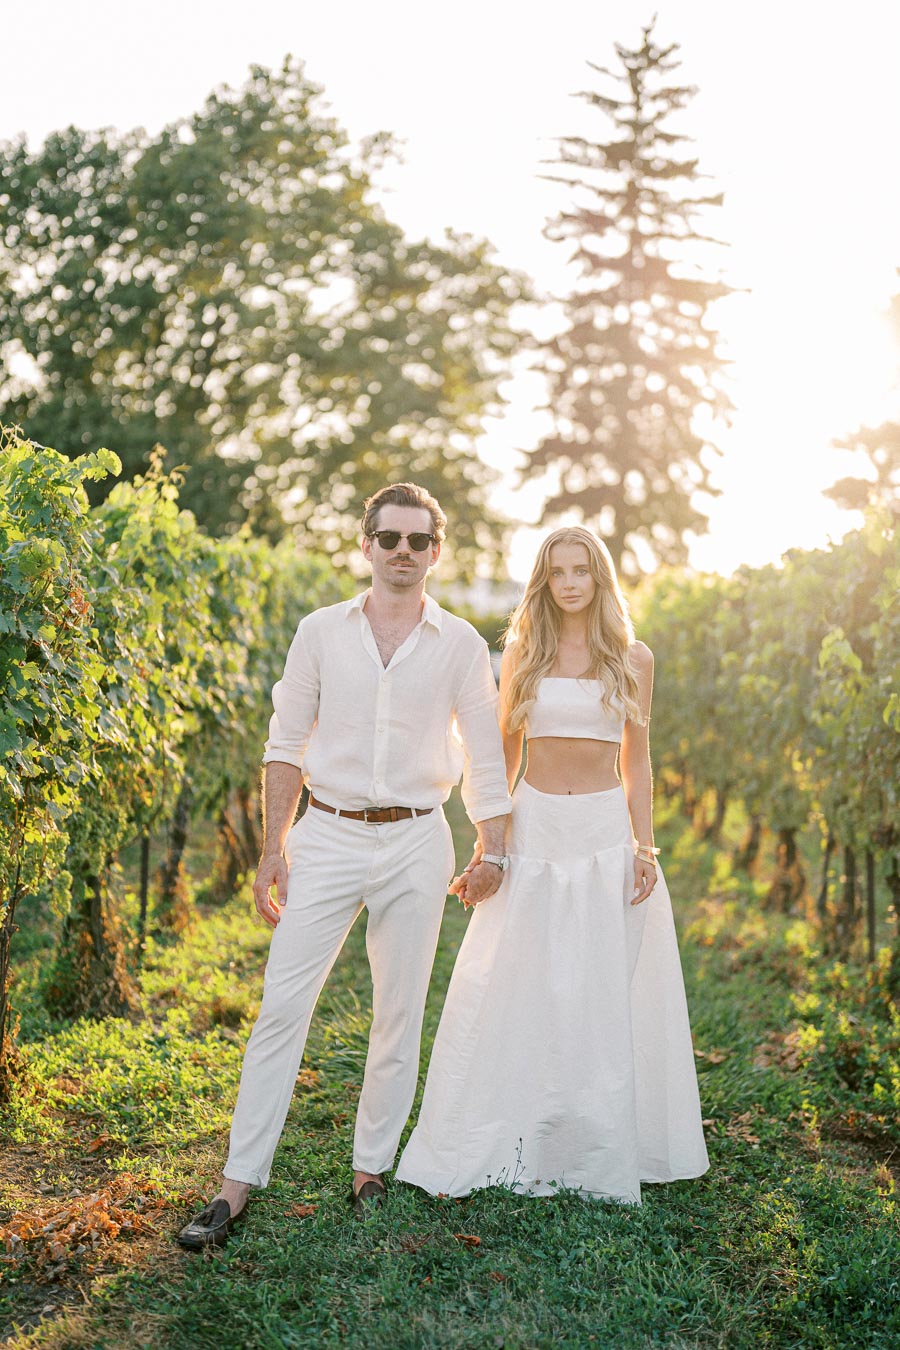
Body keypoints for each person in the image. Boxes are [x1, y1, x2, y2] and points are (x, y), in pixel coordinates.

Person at [178, 483, 512, 1248]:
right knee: (280, 1006)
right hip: (326, 835)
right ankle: (236, 1184)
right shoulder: (321, 632)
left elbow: (485, 756)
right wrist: (273, 847)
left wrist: (492, 847)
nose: (403, 552)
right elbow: (285, 743)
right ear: (366, 545)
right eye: (389, 538)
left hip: (417, 840)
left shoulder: (461, 644)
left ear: (436, 551)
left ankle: (370, 1170)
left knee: (399, 1012)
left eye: (418, 541)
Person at [396, 527, 709, 1204]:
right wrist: (492, 844)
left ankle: (591, 1143)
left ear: (599, 578)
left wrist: (644, 847)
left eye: (582, 571)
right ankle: (517, 1132)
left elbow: (638, 761)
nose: (570, 583)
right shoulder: (523, 652)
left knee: (597, 986)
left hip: (602, 832)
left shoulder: (633, 657)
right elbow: (504, 756)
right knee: (517, 977)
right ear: (544, 580)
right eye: (558, 571)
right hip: (535, 826)